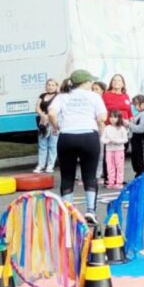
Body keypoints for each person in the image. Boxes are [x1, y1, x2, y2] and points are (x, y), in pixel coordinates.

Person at [48, 70, 107, 222]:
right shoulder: (94, 96)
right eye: (90, 82)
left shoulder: (62, 96)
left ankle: (68, 213)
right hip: (88, 135)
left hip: (67, 136)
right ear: (86, 83)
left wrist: (57, 126)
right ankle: (90, 211)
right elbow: (102, 117)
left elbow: (52, 114)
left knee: (67, 176)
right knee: (89, 175)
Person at [35, 78, 60, 173]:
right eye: (48, 85)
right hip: (43, 123)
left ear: (56, 86)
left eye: (52, 85)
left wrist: (49, 117)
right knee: (42, 144)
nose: (50, 87)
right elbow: (37, 107)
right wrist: (42, 115)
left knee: (53, 144)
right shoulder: (42, 95)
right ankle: (41, 165)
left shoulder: (58, 96)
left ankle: (50, 165)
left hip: (53, 123)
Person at [100, 110, 129, 189]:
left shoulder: (122, 128)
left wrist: (116, 141)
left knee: (119, 166)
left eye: (115, 117)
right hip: (109, 150)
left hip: (119, 150)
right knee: (110, 166)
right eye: (111, 117)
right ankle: (111, 181)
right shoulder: (107, 128)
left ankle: (119, 182)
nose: (112, 119)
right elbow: (102, 138)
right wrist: (108, 141)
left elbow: (125, 139)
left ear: (119, 118)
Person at [129, 95, 144, 176]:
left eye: (136, 104)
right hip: (135, 141)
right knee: (136, 160)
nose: (135, 107)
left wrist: (129, 124)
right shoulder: (139, 114)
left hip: (142, 141)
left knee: (142, 161)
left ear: (142, 104)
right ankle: (140, 174)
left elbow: (141, 129)